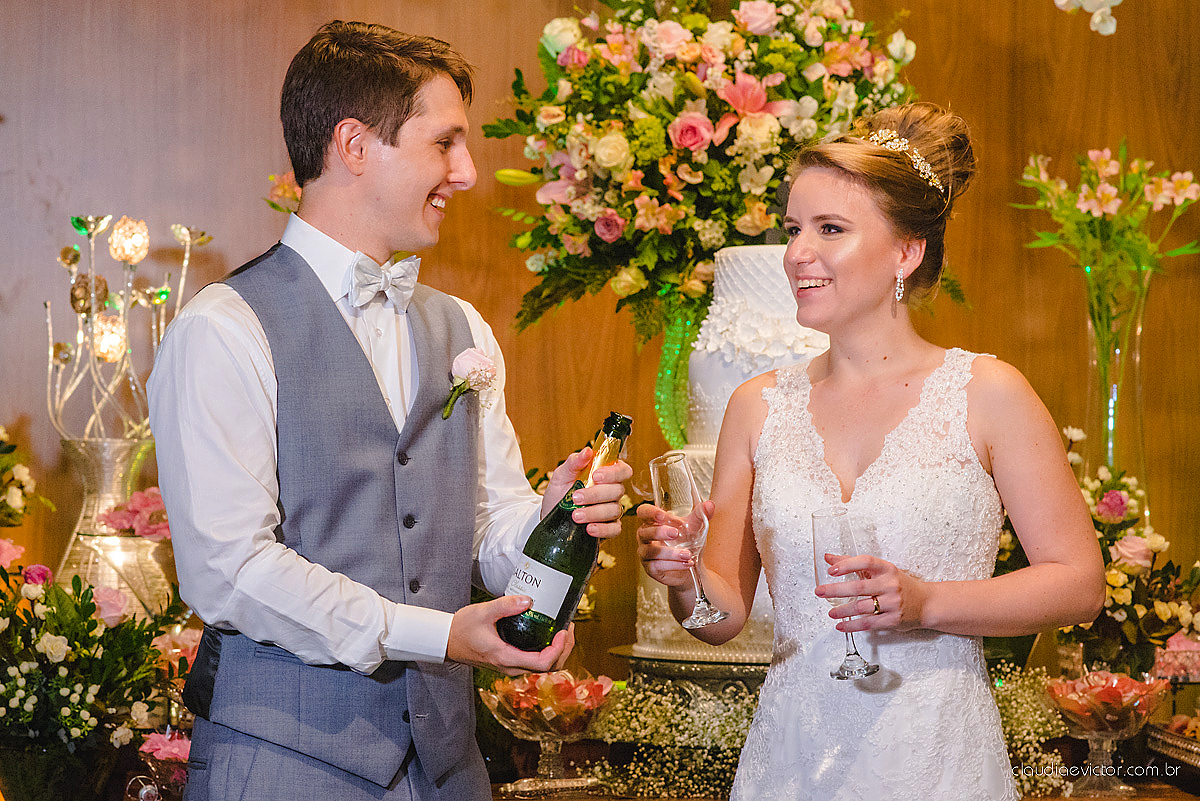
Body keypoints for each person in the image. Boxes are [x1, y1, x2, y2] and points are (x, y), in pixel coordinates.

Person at [148, 20, 631, 801]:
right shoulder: (222, 328)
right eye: (445, 144)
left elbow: (484, 529)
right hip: (281, 767)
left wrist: (547, 518)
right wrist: (437, 633)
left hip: (449, 770)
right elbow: (229, 571)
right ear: (354, 144)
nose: (468, 173)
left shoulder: (463, 328)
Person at [637, 102, 1105, 800]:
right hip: (791, 761)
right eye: (795, 229)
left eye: (830, 229)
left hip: (938, 757)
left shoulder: (989, 393)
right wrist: (682, 582)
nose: (799, 253)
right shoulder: (756, 406)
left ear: (906, 251)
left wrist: (929, 602)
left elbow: (1080, 583)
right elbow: (720, 616)